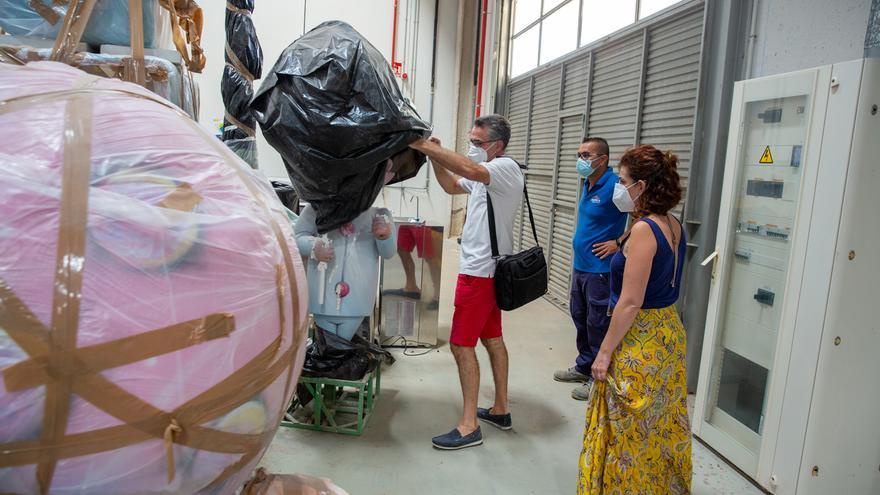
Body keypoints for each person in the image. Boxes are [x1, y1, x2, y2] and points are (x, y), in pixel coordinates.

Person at [578, 145, 691, 494]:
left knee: (628, 427)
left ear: (641, 186)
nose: (619, 187)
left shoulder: (644, 230)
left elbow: (629, 302)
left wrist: (604, 352)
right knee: (658, 423)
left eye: (624, 181)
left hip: (641, 339)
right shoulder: (672, 224)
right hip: (668, 333)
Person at [408, 114, 524, 450]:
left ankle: (469, 425)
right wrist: (433, 155)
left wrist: (422, 144)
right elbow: (451, 185)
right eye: (470, 141)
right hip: (488, 271)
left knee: (461, 345)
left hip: (479, 274)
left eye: (477, 143)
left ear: (497, 145)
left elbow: (470, 171)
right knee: (493, 339)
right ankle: (501, 409)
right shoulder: (489, 174)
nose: (471, 148)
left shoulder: (503, 169)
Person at [554, 137, 628, 401]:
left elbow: (642, 216)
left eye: (586, 155)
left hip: (601, 270)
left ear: (603, 160)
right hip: (581, 266)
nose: (581, 160)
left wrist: (618, 242)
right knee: (580, 317)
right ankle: (585, 365)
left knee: (598, 323)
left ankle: (598, 379)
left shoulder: (616, 186)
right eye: (579, 154)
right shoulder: (589, 182)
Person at [294, 162, 397, 341]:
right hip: (322, 297)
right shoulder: (316, 210)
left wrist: (384, 236)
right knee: (328, 346)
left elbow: (388, 253)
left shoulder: (379, 215)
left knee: (346, 347)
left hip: (358, 298)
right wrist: (313, 246)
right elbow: (295, 238)